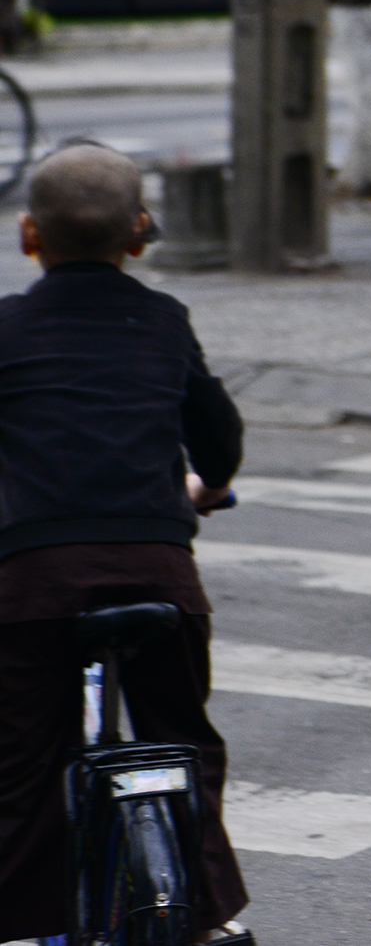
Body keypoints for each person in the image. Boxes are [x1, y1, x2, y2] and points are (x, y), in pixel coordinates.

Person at [0, 145, 251, 941]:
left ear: (27, 234)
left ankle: (15, 923)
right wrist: (202, 491)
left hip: (35, 581)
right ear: (140, 234)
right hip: (158, 572)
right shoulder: (164, 320)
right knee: (183, 739)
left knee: (21, 765)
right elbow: (219, 442)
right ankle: (207, 921)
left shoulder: (5, 328)